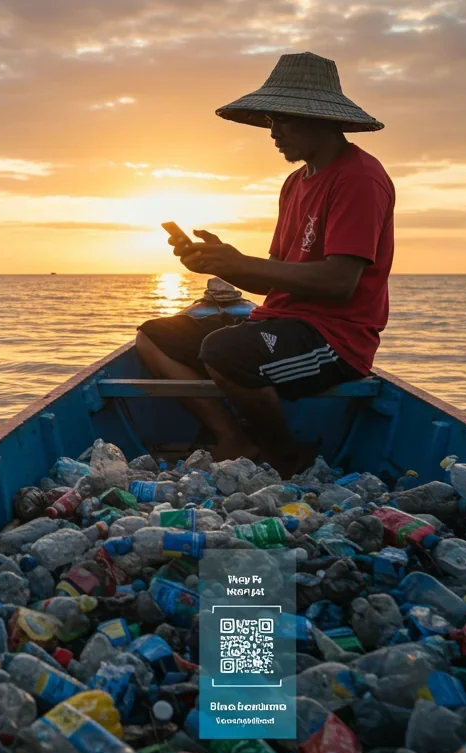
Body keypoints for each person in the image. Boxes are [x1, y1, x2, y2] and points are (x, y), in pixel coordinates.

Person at [136, 52, 395, 473]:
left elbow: (339, 283)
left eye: (284, 119)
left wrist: (239, 261)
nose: (273, 131)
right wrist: (223, 265)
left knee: (223, 351)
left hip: (334, 339)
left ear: (323, 120)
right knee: (153, 335)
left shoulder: (359, 178)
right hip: (279, 321)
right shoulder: (295, 183)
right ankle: (233, 438)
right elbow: (276, 281)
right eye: (271, 119)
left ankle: (283, 453)